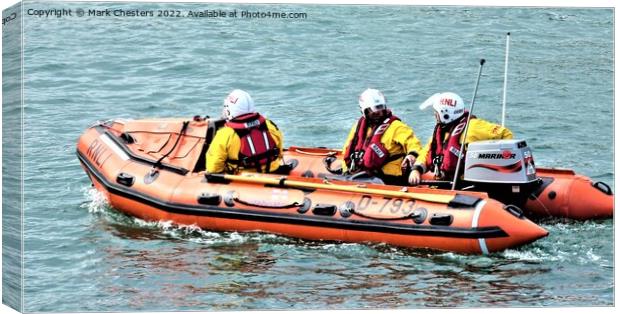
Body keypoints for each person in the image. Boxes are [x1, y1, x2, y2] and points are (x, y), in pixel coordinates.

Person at [408, 92, 513, 186]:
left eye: (436, 112)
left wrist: (501, 161)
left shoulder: (473, 127)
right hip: (447, 180)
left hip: (468, 183)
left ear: (446, 114)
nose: (434, 115)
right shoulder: (442, 131)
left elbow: (505, 133)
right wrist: (416, 169)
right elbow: (427, 152)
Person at [341, 88, 423, 185]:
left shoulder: (396, 126)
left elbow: (414, 144)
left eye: (381, 108)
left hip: (390, 178)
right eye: (374, 110)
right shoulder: (358, 127)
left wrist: (411, 155)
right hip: (363, 175)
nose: (378, 113)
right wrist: (346, 171)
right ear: (364, 111)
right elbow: (347, 150)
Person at [206, 89, 283, 174]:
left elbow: (213, 167)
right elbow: (279, 151)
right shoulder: (269, 124)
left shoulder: (226, 133)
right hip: (273, 171)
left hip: (243, 177)